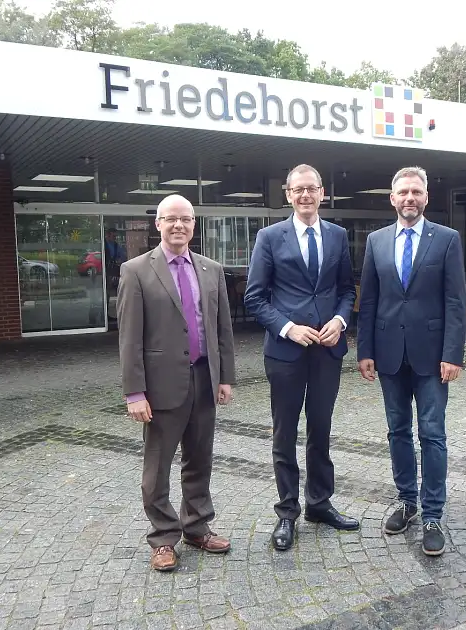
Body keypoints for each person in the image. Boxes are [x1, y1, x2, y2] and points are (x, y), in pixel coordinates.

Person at [117, 194, 236, 572]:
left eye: (185, 219)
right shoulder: (136, 271)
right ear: (158, 224)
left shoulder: (211, 269)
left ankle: (197, 527)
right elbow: (129, 338)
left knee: (199, 459)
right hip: (161, 386)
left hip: (204, 378)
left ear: (194, 224)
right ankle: (163, 537)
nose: (178, 225)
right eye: (170, 219)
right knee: (157, 467)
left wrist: (225, 377)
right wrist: (135, 392)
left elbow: (222, 329)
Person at [244, 164, 358, 551]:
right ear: (288, 194)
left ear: (322, 193)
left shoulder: (338, 236)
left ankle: (319, 503)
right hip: (285, 352)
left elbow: (346, 289)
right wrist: (288, 327)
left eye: (311, 188)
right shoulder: (269, 237)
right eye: (298, 189)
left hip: (327, 349)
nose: (305, 195)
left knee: (321, 429)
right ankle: (287, 512)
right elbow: (255, 297)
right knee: (285, 432)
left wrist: (340, 321)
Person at [356, 166, 466, 556]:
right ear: (392, 198)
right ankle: (407, 502)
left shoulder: (447, 239)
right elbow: (369, 300)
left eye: (416, 192)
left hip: (432, 358)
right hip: (389, 355)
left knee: (432, 433)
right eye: (403, 192)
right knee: (398, 431)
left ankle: (433, 514)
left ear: (426, 197)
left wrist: (453, 354)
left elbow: (456, 302)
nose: (409, 198)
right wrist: (365, 350)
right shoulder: (376, 241)